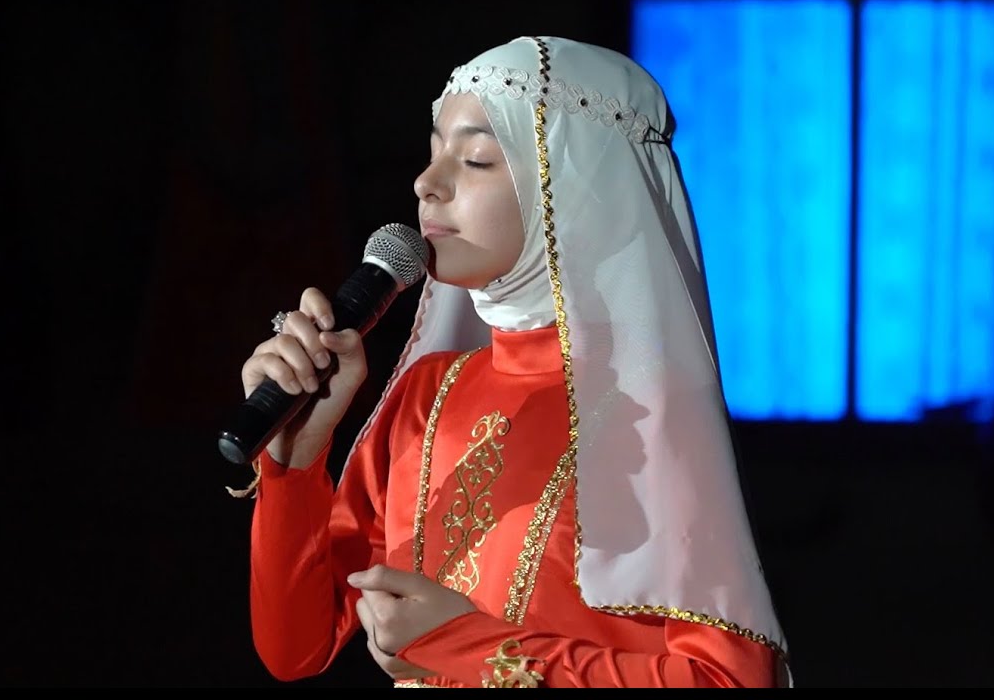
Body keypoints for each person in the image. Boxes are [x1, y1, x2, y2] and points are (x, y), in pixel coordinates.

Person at [229, 35, 791, 688]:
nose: (426, 184)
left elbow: (731, 678)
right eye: (433, 153)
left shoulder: (651, 411)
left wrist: (467, 646)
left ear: (576, 189)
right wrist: (294, 463)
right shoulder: (427, 393)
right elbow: (294, 649)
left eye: (475, 159)